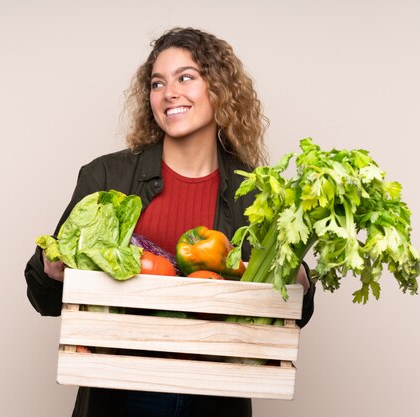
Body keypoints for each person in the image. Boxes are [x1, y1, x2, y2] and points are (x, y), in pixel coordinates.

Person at [24, 27, 316, 417]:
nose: (169, 92)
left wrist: (298, 279)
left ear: (219, 88)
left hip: (215, 395)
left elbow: (290, 315)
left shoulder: (255, 192)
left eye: (186, 77)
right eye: (157, 83)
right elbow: (43, 297)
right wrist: (52, 269)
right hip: (121, 392)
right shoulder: (107, 177)